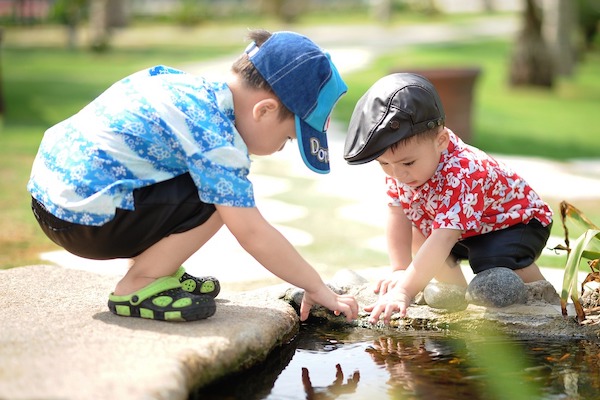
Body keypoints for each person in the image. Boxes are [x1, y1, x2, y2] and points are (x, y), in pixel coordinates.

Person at [28, 29, 358, 323]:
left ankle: (160, 269)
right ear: (265, 110)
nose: (279, 149)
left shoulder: (187, 88)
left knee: (209, 184)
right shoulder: (216, 137)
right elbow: (252, 233)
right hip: (84, 222)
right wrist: (315, 285)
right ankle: (139, 284)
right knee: (222, 199)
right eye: (287, 139)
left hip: (51, 200)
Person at [343, 73, 553, 325]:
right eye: (384, 164)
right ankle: (456, 297)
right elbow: (397, 213)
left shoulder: (464, 171)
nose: (398, 174)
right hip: (465, 228)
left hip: (515, 224)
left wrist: (404, 291)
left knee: (491, 261)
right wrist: (400, 269)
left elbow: (444, 237)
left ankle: (543, 298)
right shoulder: (401, 168)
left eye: (408, 162)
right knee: (419, 232)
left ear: (441, 141)